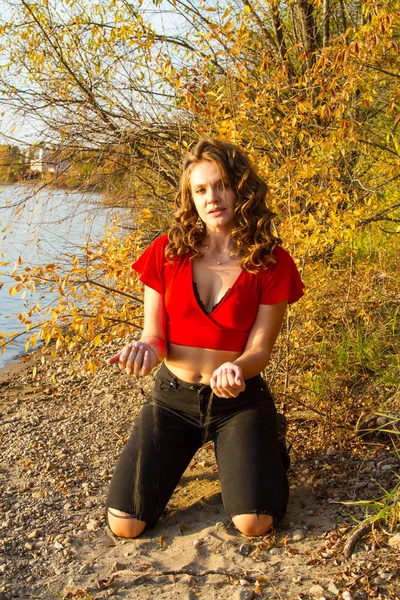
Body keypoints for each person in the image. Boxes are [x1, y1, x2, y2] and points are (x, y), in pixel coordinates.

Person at [106, 138, 304, 539]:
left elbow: (260, 349)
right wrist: (145, 348)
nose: (211, 198)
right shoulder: (165, 252)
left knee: (254, 523)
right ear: (190, 197)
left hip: (239, 400)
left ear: (241, 189)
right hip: (171, 398)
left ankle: (268, 446)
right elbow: (155, 337)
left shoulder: (271, 261)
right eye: (200, 190)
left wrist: (237, 366)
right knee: (125, 524)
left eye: (221, 185)